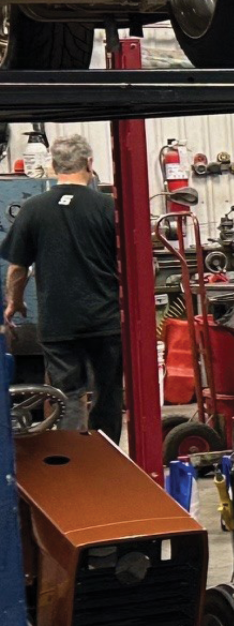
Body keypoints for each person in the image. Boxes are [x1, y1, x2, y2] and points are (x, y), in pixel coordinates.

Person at [3, 134, 121, 441]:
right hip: (105, 320)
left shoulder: (33, 208)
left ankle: (74, 465)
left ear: (53, 166)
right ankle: (106, 465)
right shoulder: (108, 208)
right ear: (89, 164)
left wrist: (13, 303)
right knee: (107, 395)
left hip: (58, 321)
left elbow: (17, 268)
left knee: (68, 395)